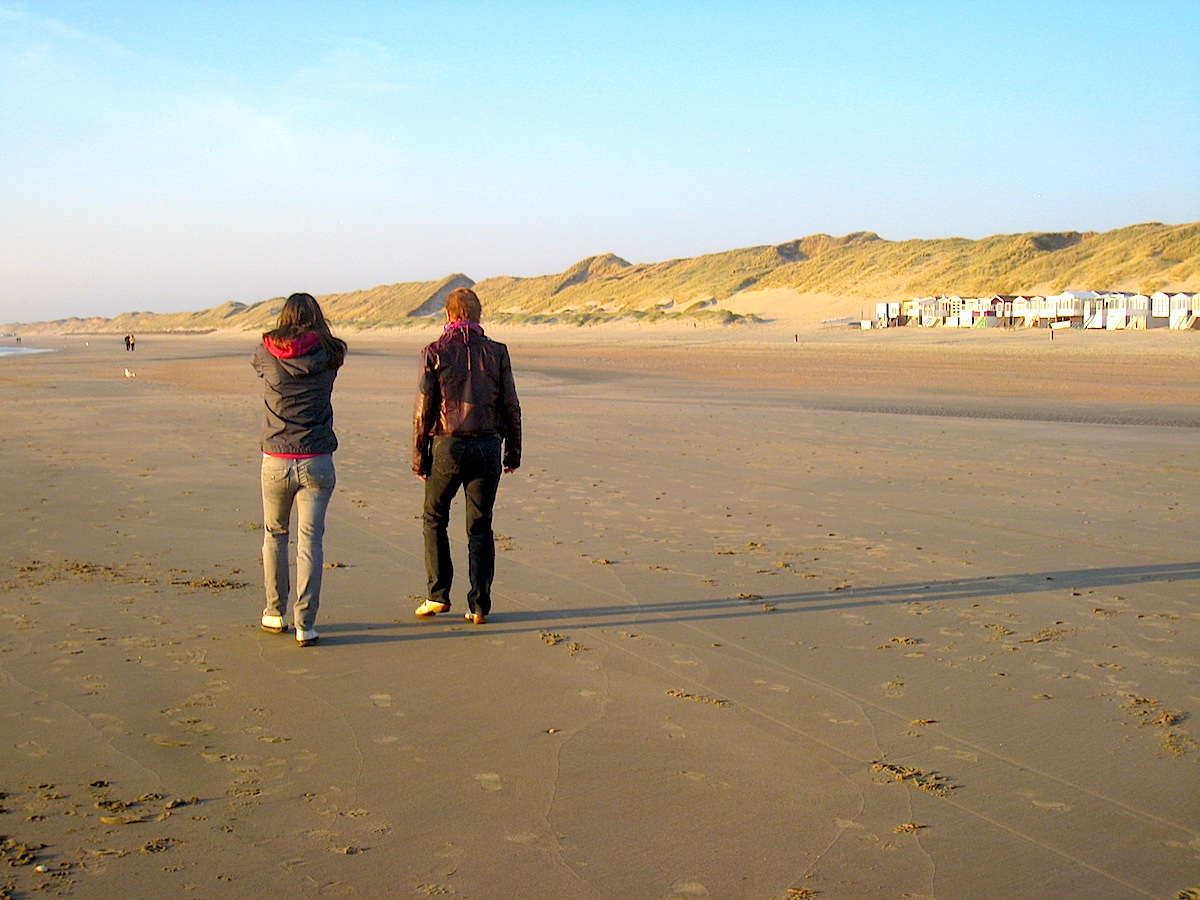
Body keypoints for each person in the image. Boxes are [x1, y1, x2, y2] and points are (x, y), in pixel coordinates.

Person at [413, 287, 521, 625]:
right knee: (480, 525)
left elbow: (423, 410)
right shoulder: (497, 352)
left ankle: (437, 594)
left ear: (448, 316)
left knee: (434, 517)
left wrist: (419, 456)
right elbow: (511, 405)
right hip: (487, 445)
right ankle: (478, 604)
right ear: (477, 316)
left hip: (448, 444)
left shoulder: (435, 351)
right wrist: (513, 451)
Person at [252, 293, 347, 646]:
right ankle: (304, 621)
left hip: (277, 457)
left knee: (275, 535)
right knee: (310, 540)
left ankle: (275, 611)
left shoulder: (267, 351)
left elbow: (260, 360)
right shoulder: (330, 352)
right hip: (316, 458)